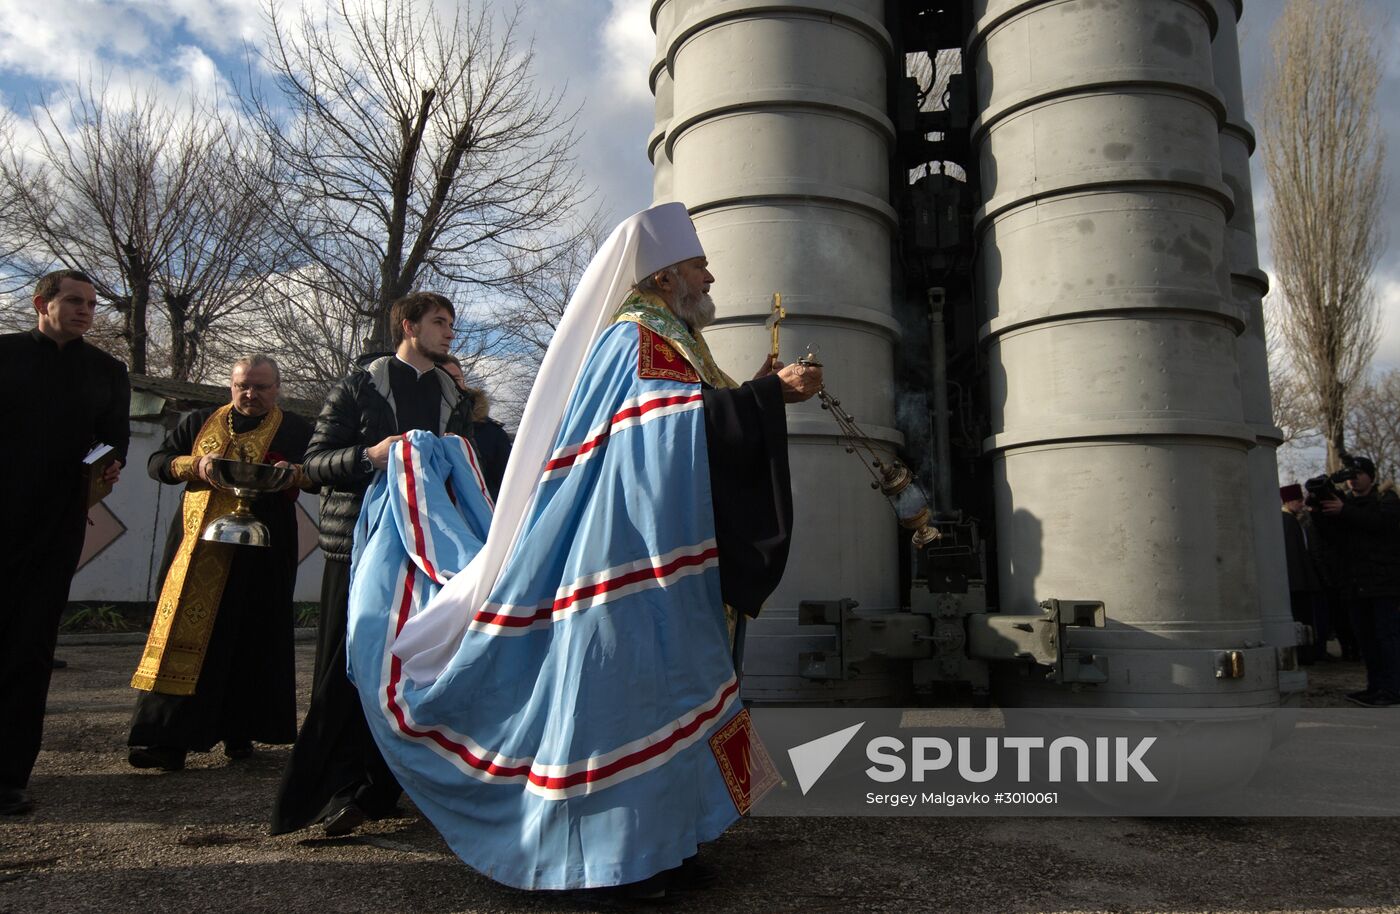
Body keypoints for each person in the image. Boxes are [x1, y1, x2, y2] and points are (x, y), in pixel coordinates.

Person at [345, 202, 821, 895]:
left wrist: (758, 395)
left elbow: (694, 426)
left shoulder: (672, 339)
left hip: (664, 557)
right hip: (623, 556)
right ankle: (609, 865)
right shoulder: (635, 338)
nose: (710, 276)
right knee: (624, 701)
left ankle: (673, 843)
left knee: (677, 692)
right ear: (663, 277)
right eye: (698, 265)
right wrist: (767, 397)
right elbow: (662, 436)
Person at [271, 291, 511, 837]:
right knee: (346, 666)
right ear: (408, 326)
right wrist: (371, 457)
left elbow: (466, 472)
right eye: (439, 322)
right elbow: (313, 465)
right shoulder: (358, 387)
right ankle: (336, 788)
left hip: (431, 553)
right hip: (355, 547)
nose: (450, 332)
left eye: (451, 323)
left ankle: (382, 788)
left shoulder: (453, 395)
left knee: (416, 664)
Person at [125, 355, 312, 771]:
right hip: (197, 548)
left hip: (263, 551)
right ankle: (166, 740)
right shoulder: (199, 422)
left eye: (261, 387)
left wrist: (295, 471)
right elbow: (158, 463)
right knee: (184, 634)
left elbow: (320, 473)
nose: (251, 394)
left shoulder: (297, 428)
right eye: (243, 386)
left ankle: (240, 730)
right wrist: (196, 464)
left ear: (277, 388)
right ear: (231, 385)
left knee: (251, 634)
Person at [0, 269, 129, 816]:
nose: (85, 311)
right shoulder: (5, 355)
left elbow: (114, 442)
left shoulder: (107, 371)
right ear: (41, 303)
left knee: (29, 648)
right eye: (74, 301)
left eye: (92, 304)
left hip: (55, 526)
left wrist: (109, 466)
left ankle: (8, 775)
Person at [1313, 456, 1400, 706]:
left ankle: (1393, 689)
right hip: (1354, 584)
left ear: (1371, 477)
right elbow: (1332, 538)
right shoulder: (1345, 503)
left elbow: (1379, 524)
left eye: (1358, 474)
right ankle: (1375, 687)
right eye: (1350, 475)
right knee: (1367, 640)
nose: (1353, 479)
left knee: (1387, 638)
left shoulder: (1386, 499)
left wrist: (1344, 511)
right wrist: (1319, 511)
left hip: (1383, 584)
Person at [439, 355, 511, 500]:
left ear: (463, 382)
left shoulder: (492, 433)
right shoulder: (420, 428)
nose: (451, 384)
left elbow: (508, 485)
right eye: (443, 378)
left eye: (456, 379)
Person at [1280, 483, 1328, 663]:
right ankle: (1307, 654)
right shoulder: (1288, 521)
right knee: (1303, 618)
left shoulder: (1289, 519)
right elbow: (1296, 554)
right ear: (1289, 501)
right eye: (1298, 500)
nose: (1301, 504)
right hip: (1298, 582)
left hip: (1297, 581)